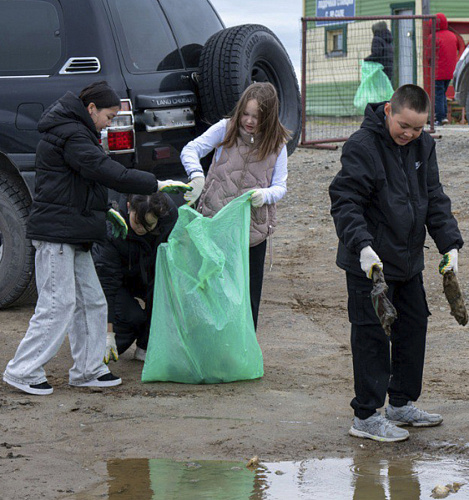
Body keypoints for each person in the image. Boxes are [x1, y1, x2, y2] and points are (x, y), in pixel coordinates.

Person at [2, 81, 190, 396]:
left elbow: (83, 185)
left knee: (92, 300)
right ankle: (22, 371)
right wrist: (154, 183)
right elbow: (105, 171)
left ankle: (88, 369)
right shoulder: (72, 134)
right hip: (56, 235)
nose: (109, 123)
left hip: (74, 233)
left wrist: (107, 211)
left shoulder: (77, 133)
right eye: (109, 116)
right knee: (56, 304)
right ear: (91, 110)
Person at [329, 84, 464, 442]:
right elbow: (345, 201)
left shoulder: (423, 146)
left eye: (418, 128)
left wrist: (450, 244)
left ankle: (400, 404)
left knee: (413, 327)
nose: (410, 134)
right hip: (369, 264)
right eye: (405, 125)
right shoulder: (362, 146)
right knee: (371, 335)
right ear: (389, 110)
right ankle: (366, 416)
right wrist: (361, 247)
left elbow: (434, 198)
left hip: (408, 261)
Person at [180, 82, 292, 331]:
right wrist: (196, 175)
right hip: (215, 223)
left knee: (248, 293)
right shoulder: (225, 128)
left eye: (257, 117)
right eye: (246, 114)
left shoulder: (277, 144)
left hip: (252, 232)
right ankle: (211, 344)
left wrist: (265, 195)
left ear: (269, 117)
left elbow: (280, 187)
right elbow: (191, 149)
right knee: (212, 287)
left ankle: (244, 351)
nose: (249, 121)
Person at [92, 191, 178, 362]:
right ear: (129, 207)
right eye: (138, 222)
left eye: (149, 225)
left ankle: (145, 347)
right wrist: (108, 333)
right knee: (133, 319)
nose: (141, 229)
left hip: (148, 271)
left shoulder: (168, 217)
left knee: (166, 294)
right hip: (118, 278)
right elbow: (107, 283)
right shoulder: (113, 228)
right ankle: (92, 339)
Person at [433, 13, 460, 126]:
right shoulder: (452, 36)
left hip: (438, 71)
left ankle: (440, 117)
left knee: (438, 94)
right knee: (442, 93)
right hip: (450, 71)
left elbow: (429, 56)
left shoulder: (433, 37)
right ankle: (443, 116)